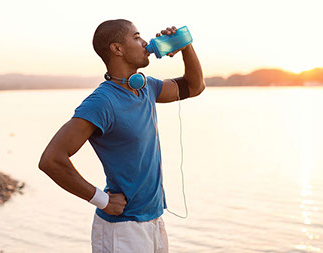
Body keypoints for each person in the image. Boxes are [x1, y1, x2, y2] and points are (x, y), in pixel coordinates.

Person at [38, 19, 205, 253]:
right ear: (117, 49)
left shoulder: (146, 87)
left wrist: (185, 45)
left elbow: (194, 87)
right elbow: (51, 160)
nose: (146, 42)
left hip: (155, 221)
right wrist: (102, 200)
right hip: (123, 230)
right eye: (137, 37)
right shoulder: (102, 102)